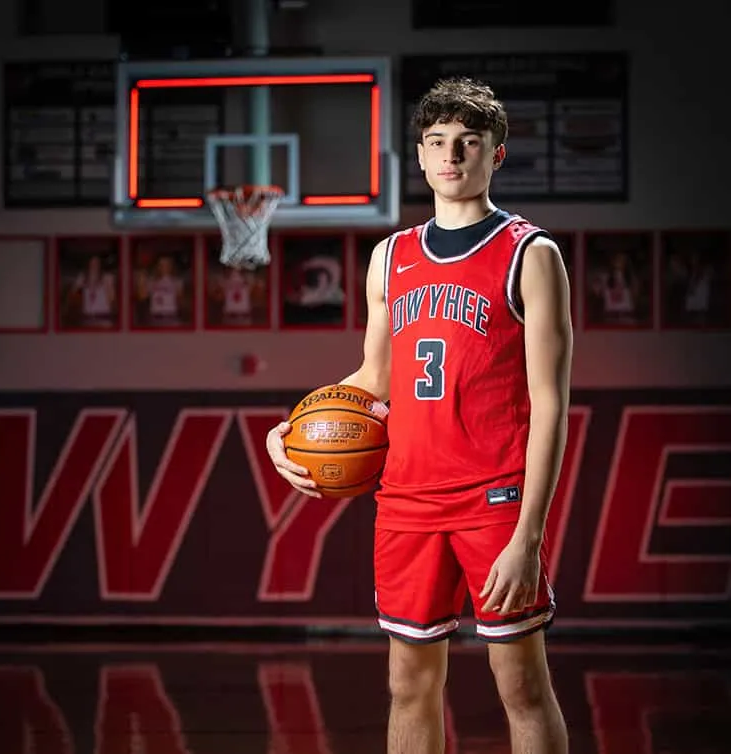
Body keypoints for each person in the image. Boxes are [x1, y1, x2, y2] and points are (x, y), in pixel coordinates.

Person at [265, 76, 572, 754]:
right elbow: (374, 378)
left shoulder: (531, 254)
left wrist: (528, 534)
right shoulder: (391, 257)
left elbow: (551, 405)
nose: (451, 155)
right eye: (437, 142)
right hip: (405, 497)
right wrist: (286, 428)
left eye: (469, 141)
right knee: (408, 681)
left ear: (497, 153)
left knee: (519, 683)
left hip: (493, 498)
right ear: (421, 154)